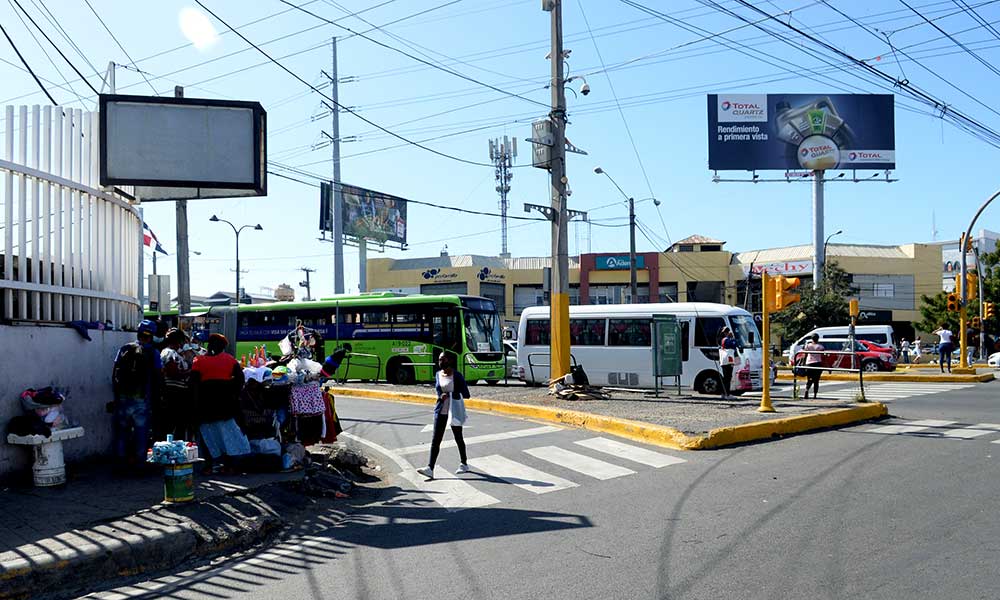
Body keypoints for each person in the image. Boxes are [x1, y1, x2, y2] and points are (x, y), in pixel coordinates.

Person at [191, 333, 251, 474]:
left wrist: (195, 406)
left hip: (205, 406)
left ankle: (208, 466)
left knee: (207, 436)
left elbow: (193, 385)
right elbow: (240, 380)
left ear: (209, 345)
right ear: (223, 347)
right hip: (225, 406)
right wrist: (233, 393)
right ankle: (228, 465)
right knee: (226, 436)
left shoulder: (198, 361)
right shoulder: (230, 360)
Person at [111, 319, 162, 473]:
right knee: (141, 433)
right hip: (142, 399)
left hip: (123, 398)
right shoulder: (153, 352)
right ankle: (140, 465)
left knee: (121, 432)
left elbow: (114, 374)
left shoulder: (124, 349)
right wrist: (158, 397)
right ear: (152, 335)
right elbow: (158, 377)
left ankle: (120, 465)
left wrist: (117, 395)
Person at [416, 353, 471, 480]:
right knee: (436, 440)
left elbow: (466, 394)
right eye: (439, 359)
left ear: (449, 361)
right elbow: (438, 391)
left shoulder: (457, 376)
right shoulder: (438, 374)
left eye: (443, 359)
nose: (440, 361)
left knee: (458, 437)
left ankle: (464, 463)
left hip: (455, 410)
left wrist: (452, 393)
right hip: (441, 411)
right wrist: (441, 395)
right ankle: (430, 468)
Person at [158, 328, 194, 442]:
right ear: (178, 341)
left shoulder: (175, 353)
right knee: (174, 424)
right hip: (174, 393)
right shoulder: (169, 352)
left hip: (177, 393)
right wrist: (190, 372)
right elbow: (172, 372)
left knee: (179, 424)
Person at [717, 327, 739, 399]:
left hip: (724, 361)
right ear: (726, 333)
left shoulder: (721, 340)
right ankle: (727, 394)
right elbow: (734, 345)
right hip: (728, 362)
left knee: (725, 378)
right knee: (728, 378)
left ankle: (723, 393)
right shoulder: (727, 340)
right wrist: (732, 338)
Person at [802, 334, 825, 399]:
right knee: (816, 380)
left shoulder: (808, 346)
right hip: (818, 363)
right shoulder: (820, 347)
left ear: (812, 339)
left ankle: (807, 390)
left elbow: (805, 355)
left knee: (809, 379)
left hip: (809, 363)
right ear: (818, 339)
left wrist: (803, 364)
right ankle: (815, 395)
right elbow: (823, 356)